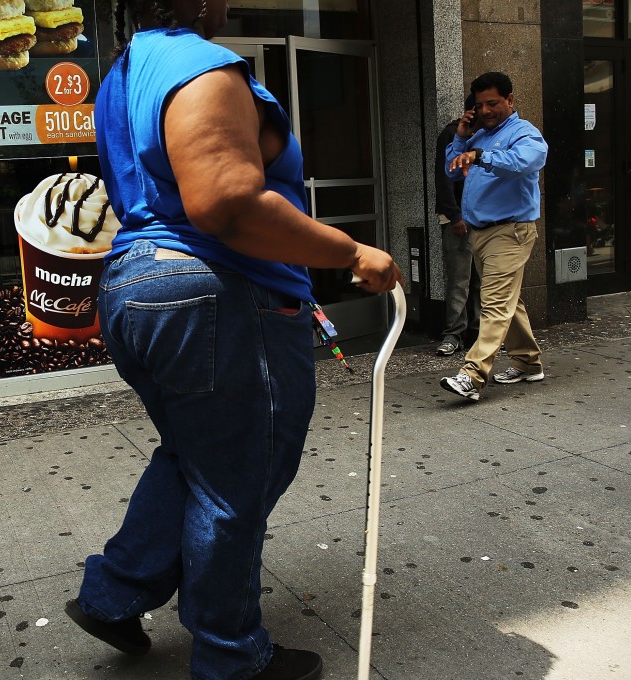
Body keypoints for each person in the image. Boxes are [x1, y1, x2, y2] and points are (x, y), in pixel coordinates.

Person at [63, 2, 402, 679]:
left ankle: (115, 592)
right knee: (237, 474)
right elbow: (227, 202)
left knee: (196, 457)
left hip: (140, 287)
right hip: (218, 292)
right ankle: (231, 656)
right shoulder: (199, 66)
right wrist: (351, 251)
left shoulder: (126, 76)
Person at [440, 72, 548, 401]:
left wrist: (481, 156)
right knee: (507, 302)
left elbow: (527, 161)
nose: (485, 111)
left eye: (493, 103)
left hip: (511, 230)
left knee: (494, 303)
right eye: (479, 105)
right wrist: (460, 140)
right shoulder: (478, 136)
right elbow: (452, 169)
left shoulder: (523, 132)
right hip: (482, 232)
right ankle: (529, 363)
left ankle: (472, 375)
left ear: (510, 100)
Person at [434, 95, 481, 356]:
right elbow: (444, 178)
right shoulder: (452, 135)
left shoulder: (488, 137)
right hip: (459, 218)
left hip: (482, 218)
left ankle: (478, 332)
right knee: (460, 279)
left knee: (481, 281)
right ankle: (453, 334)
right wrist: (455, 216)